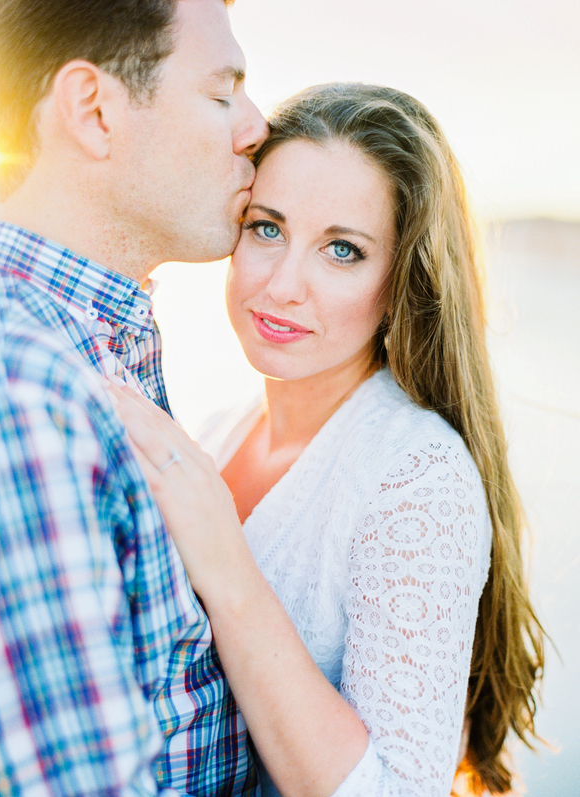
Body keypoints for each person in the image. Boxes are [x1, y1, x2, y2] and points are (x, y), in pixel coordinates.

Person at [113, 83, 545, 797]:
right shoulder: (220, 428)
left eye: (342, 250)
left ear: (401, 281)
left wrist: (227, 567)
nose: (284, 285)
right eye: (267, 228)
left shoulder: (415, 475)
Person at [0, 0, 267, 794]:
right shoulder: (22, 387)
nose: (256, 126)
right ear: (94, 111)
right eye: (222, 93)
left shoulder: (82, 345)